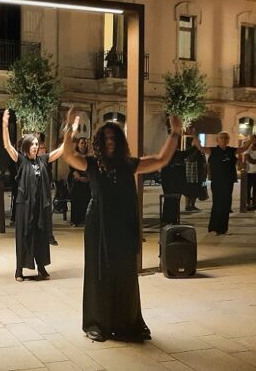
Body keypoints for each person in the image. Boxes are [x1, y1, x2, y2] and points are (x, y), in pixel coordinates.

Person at [62, 109, 182, 342]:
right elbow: (68, 156)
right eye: (106, 138)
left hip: (123, 224)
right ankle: (96, 323)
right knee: (99, 273)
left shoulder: (130, 165)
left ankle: (128, 322)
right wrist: (69, 129)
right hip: (99, 225)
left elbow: (160, 160)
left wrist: (175, 133)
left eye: (114, 138)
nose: (110, 142)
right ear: (99, 142)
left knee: (125, 273)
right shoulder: (92, 164)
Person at [2, 110, 66, 282]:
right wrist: (5, 125)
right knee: (23, 235)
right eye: (33, 144)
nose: (36, 147)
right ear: (26, 146)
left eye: (37, 144)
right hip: (24, 205)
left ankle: (42, 267)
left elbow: (61, 151)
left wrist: (69, 132)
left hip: (40, 205)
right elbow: (7, 146)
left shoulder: (43, 160)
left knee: (41, 235)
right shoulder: (21, 160)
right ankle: (19, 270)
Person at [193, 131, 250, 235]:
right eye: (221, 138)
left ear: (228, 140)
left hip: (228, 181)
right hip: (217, 181)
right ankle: (213, 228)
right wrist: (193, 135)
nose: (223, 139)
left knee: (226, 204)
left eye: (225, 138)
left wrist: (250, 140)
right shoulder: (213, 150)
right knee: (217, 204)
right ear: (217, 140)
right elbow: (200, 147)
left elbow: (244, 149)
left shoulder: (231, 151)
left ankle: (223, 229)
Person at [69, 137, 91, 227]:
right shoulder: (74, 155)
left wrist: (88, 178)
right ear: (78, 145)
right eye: (81, 143)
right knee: (77, 199)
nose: (83, 145)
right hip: (76, 180)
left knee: (86, 199)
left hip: (87, 180)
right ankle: (75, 220)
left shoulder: (89, 157)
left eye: (85, 143)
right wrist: (79, 177)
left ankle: (84, 219)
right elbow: (72, 168)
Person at [184, 144, 206, 212]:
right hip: (190, 174)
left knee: (196, 190)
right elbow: (189, 160)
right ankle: (187, 206)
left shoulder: (200, 151)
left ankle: (193, 205)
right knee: (189, 191)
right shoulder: (189, 151)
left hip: (199, 173)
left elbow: (203, 161)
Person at [244, 136, 256, 210]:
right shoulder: (248, 148)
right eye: (253, 139)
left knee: (255, 189)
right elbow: (248, 158)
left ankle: (254, 204)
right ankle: (247, 203)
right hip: (249, 172)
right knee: (247, 189)